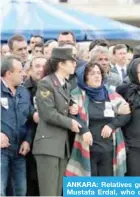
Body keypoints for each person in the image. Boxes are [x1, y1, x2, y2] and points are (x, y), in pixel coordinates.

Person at [68, 62, 131, 176]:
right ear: (85, 77)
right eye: (92, 73)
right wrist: (84, 130)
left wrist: (112, 125)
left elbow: (126, 113)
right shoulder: (77, 94)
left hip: (109, 150)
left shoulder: (110, 93)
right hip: (87, 150)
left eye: (98, 73)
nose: (97, 76)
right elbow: (72, 115)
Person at [32, 48, 81, 196]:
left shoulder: (65, 84)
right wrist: (70, 123)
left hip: (60, 145)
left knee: (58, 191)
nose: (74, 64)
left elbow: (64, 107)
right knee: (49, 192)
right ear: (61, 63)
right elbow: (48, 113)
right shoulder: (46, 83)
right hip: (48, 145)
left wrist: (73, 107)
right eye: (71, 61)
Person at [1, 55, 34, 196]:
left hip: (19, 152)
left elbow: (31, 119)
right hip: (1, 151)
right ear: (9, 74)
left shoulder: (24, 92)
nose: (24, 74)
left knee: (21, 191)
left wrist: (28, 140)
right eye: (20, 71)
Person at [23, 55, 47, 196]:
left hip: (49, 140)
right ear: (30, 69)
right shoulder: (22, 89)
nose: (41, 69)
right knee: (30, 181)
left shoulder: (55, 87)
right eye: (37, 66)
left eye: (44, 66)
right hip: (28, 140)